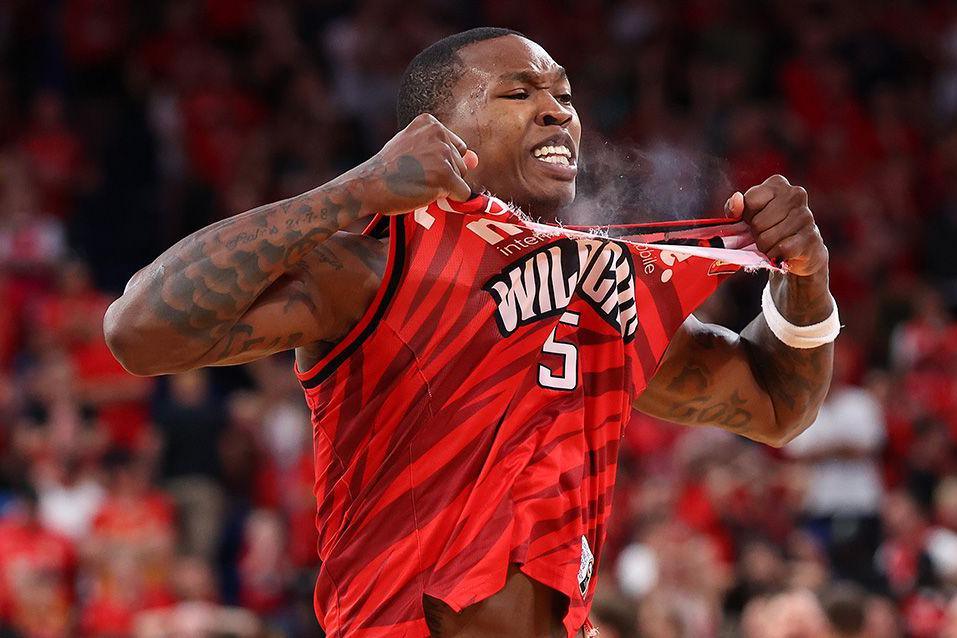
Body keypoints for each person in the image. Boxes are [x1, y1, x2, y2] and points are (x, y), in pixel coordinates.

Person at [104, 28, 835, 638]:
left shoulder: (601, 289)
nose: (556, 112)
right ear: (435, 132)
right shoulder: (373, 263)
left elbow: (776, 406)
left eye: (564, 96)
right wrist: (356, 187)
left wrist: (803, 279)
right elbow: (138, 330)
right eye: (520, 93)